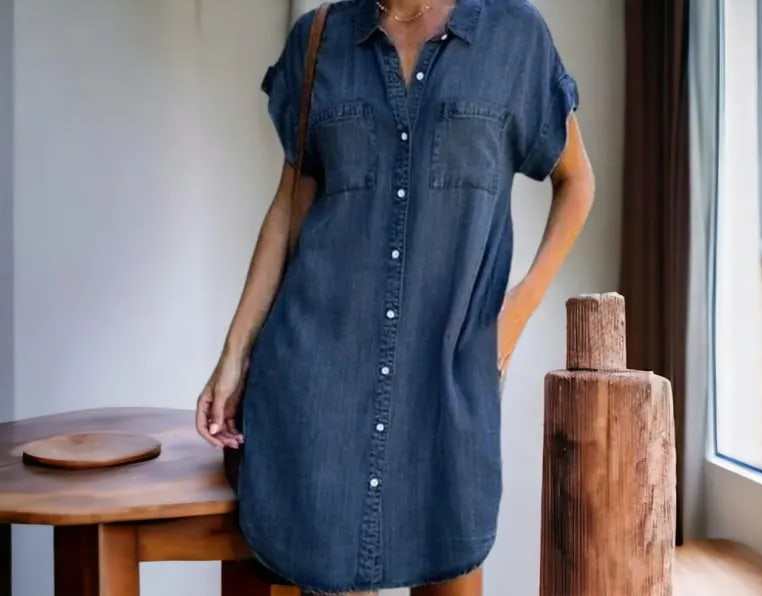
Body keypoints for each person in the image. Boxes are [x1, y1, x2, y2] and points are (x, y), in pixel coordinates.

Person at [196, 0, 595, 594]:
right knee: (325, 571)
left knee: (453, 558)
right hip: (320, 383)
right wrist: (233, 355)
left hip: (446, 380)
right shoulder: (318, 40)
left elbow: (577, 182)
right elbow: (289, 208)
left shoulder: (515, 36)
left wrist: (513, 317)